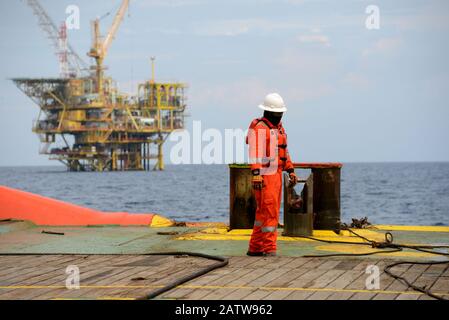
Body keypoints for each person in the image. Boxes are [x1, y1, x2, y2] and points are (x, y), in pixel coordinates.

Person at [246, 93, 298, 257]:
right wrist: (256, 174)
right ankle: (269, 248)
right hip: (265, 175)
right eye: (278, 113)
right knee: (270, 212)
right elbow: (254, 153)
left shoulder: (279, 129)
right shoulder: (261, 129)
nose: (279, 116)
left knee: (263, 214)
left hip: (276, 174)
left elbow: (284, 151)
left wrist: (290, 169)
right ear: (269, 112)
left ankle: (255, 247)